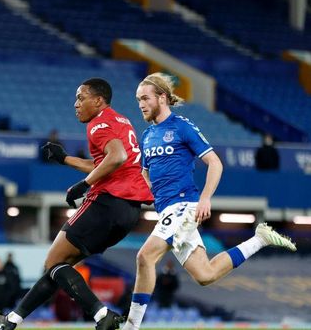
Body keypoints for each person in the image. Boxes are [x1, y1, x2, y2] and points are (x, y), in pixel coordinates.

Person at [122, 73, 297, 330]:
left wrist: (205, 199)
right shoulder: (147, 135)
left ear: (162, 97)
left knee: (144, 257)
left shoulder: (182, 127)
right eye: (138, 99)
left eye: (145, 98)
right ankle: (260, 238)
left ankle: (131, 327)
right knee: (205, 275)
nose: (141, 104)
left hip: (184, 205)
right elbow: (146, 175)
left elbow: (215, 162)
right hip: (167, 210)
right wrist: (140, 193)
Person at [0, 77, 154, 330]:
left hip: (107, 202)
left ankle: (102, 315)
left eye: (81, 97)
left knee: (54, 263)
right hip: (129, 212)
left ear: (99, 101)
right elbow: (109, 162)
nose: (75, 104)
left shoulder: (98, 124)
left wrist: (85, 184)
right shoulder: (121, 121)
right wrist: (65, 159)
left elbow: (117, 157)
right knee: (58, 267)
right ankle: (12, 321)